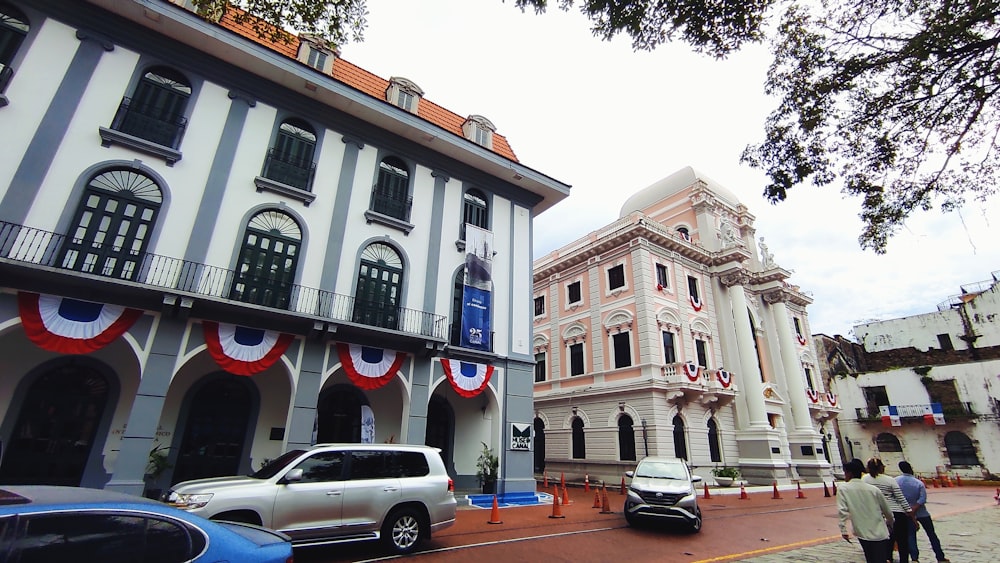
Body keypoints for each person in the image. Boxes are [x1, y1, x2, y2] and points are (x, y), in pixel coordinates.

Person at [838, 458, 895, 563]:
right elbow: (887, 511)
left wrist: (843, 530)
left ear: (849, 473)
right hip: (879, 531)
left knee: (870, 557)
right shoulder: (873, 489)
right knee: (881, 558)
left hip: (862, 531)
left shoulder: (843, 488)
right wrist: (890, 522)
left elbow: (842, 510)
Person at [896, 461, 950, 563]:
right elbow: (922, 499)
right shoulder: (918, 482)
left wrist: (909, 511)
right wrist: (915, 508)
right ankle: (940, 556)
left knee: (911, 536)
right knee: (931, 534)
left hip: (906, 512)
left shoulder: (896, 481)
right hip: (922, 512)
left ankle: (914, 558)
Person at [864, 457, 914, 563]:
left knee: (886, 541)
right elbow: (900, 498)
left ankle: (888, 559)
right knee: (902, 541)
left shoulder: (864, 480)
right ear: (882, 467)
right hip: (896, 512)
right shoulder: (889, 480)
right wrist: (910, 513)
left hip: (877, 514)